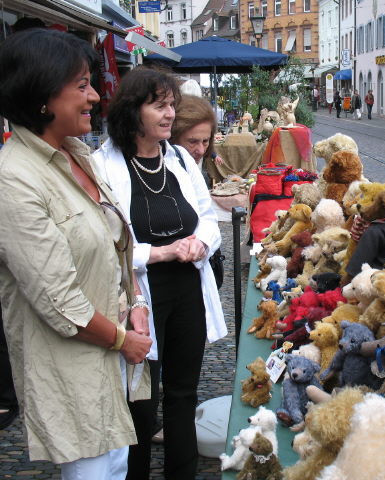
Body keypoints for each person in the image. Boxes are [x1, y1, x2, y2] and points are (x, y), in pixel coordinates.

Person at [0, 29, 152, 479]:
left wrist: (137, 304)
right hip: (73, 367)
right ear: (42, 95)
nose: (95, 97)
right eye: (82, 85)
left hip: (111, 355)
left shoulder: (76, 155)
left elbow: (115, 245)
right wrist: (124, 340)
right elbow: (58, 300)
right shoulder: (14, 179)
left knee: (116, 468)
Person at [93, 67, 227, 480]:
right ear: (133, 111)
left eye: (171, 105)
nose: (170, 114)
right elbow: (106, 243)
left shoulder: (180, 158)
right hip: (139, 297)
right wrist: (160, 252)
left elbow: (207, 217)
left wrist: (200, 243)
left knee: (184, 394)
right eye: (159, 106)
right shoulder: (103, 166)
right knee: (141, 402)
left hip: (187, 289)